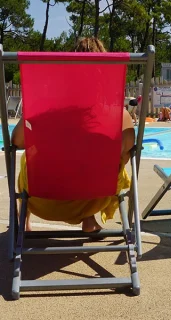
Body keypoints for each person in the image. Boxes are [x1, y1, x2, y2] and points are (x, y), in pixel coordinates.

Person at [11, 37, 135, 233]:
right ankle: (88, 218)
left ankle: (23, 222)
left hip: (44, 199)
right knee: (111, 161)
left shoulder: (44, 112)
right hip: (95, 198)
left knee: (28, 158)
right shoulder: (120, 116)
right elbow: (127, 153)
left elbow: (16, 142)